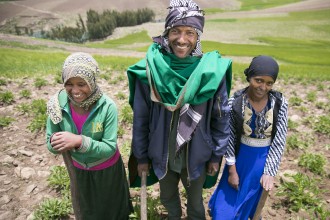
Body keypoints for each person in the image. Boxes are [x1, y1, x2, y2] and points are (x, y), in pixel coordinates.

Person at [126, 0, 232, 219]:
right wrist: (142, 157)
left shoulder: (211, 73)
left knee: (195, 204)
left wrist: (216, 156)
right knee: (167, 197)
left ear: (198, 37)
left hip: (197, 154)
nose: (182, 40)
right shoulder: (151, 69)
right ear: (166, 33)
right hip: (162, 153)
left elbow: (220, 118)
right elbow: (141, 120)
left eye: (190, 33)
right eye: (175, 31)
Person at [45, 52, 133, 220]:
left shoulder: (107, 107)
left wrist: (78, 141)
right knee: (87, 209)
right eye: (69, 84)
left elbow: (108, 147)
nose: (75, 90)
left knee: (113, 208)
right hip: (79, 170)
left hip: (107, 170)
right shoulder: (57, 105)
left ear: (91, 82)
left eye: (81, 84)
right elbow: (50, 142)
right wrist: (55, 142)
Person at [208, 55, 288, 219]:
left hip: (262, 161)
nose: (263, 87)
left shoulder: (279, 103)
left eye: (269, 83)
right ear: (249, 77)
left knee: (249, 207)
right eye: (258, 80)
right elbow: (229, 138)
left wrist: (269, 172)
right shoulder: (236, 102)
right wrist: (231, 170)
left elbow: (279, 140)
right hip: (239, 158)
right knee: (225, 210)